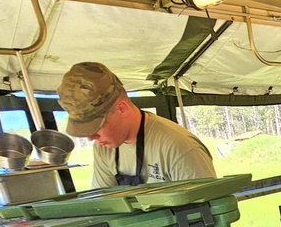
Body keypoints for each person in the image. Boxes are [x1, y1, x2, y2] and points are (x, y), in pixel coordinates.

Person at [57, 62, 216, 188]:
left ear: (121, 109)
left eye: (96, 126)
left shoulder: (178, 146)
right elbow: (104, 204)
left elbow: (210, 216)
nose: (91, 137)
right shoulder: (104, 148)